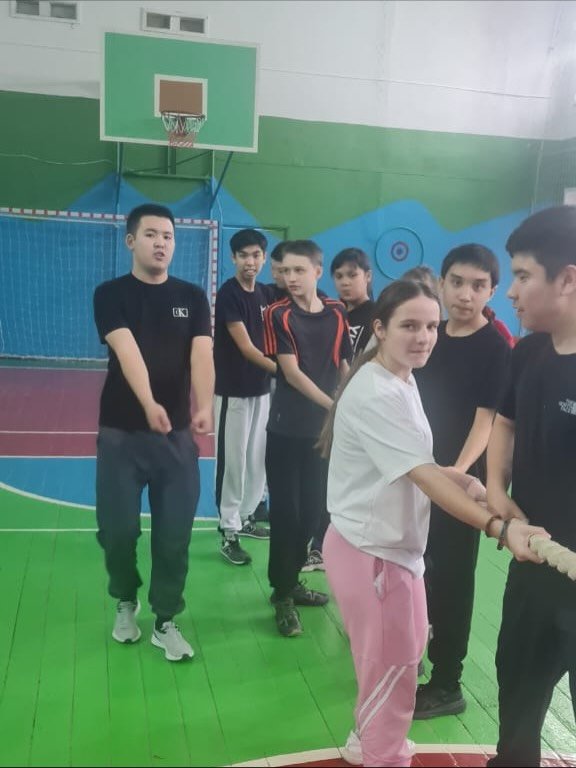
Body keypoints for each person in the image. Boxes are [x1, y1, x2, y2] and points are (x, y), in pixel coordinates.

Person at [316, 279, 547, 768]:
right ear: (380, 328)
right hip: (373, 556)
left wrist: (467, 482)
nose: (423, 337)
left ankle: (365, 740)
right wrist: (500, 528)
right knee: (393, 670)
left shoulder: (400, 377)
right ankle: (383, 756)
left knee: (398, 658)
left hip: (388, 551)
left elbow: (413, 463)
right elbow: (420, 475)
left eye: (429, 326)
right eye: (409, 326)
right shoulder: (377, 392)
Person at [93, 203, 214, 662]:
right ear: (131, 241)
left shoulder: (193, 297)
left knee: (174, 536)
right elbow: (128, 352)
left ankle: (165, 619)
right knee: (118, 532)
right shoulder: (111, 294)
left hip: (176, 440)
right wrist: (148, 403)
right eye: (151, 234)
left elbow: (201, 355)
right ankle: (126, 599)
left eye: (168, 235)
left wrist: (204, 406)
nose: (161, 242)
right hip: (121, 436)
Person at [486, 205, 576, 767]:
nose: (511, 292)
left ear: (567, 279)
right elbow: (505, 422)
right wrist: (497, 491)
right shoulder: (528, 352)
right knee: (517, 692)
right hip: (534, 567)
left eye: (522, 276)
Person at [413, 244, 511, 719]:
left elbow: (486, 419)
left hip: (456, 485)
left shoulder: (495, 347)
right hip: (414, 474)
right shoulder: (429, 334)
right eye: (456, 282)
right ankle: (408, 652)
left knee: (452, 580)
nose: (465, 294)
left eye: (478, 285)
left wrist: (454, 472)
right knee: (412, 569)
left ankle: (447, 681)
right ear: (441, 283)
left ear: (492, 290)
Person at [263, 239, 352, 637]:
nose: (291, 278)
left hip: (322, 433)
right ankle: (282, 593)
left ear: (317, 271)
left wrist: (351, 397)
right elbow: (292, 373)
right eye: (285, 271)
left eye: (299, 270)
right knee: (287, 514)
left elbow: (345, 363)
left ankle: (291, 579)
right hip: (286, 430)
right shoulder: (277, 314)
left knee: (315, 513)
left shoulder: (336, 311)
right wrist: (334, 406)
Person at [301, 247, 375, 574]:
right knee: (326, 478)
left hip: (364, 409)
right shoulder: (331, 313)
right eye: (339, 276)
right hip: (332, 408)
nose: (345, 282)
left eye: (352, 275)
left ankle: (347, 547)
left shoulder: (378, 315)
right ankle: (320, 545)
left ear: (367, 276)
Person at [213, 228, 275, 565]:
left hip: (261, 391)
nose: (250, 261)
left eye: (256, 255)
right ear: (233, 258)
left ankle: (248, 517)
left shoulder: (265, 293)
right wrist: (286, 372)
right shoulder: (229, 294)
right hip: (233, 393)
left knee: (256, 459)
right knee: (233, 462)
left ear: (264, 258)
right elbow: (247, 347)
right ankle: (228, 531)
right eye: (243, 256)